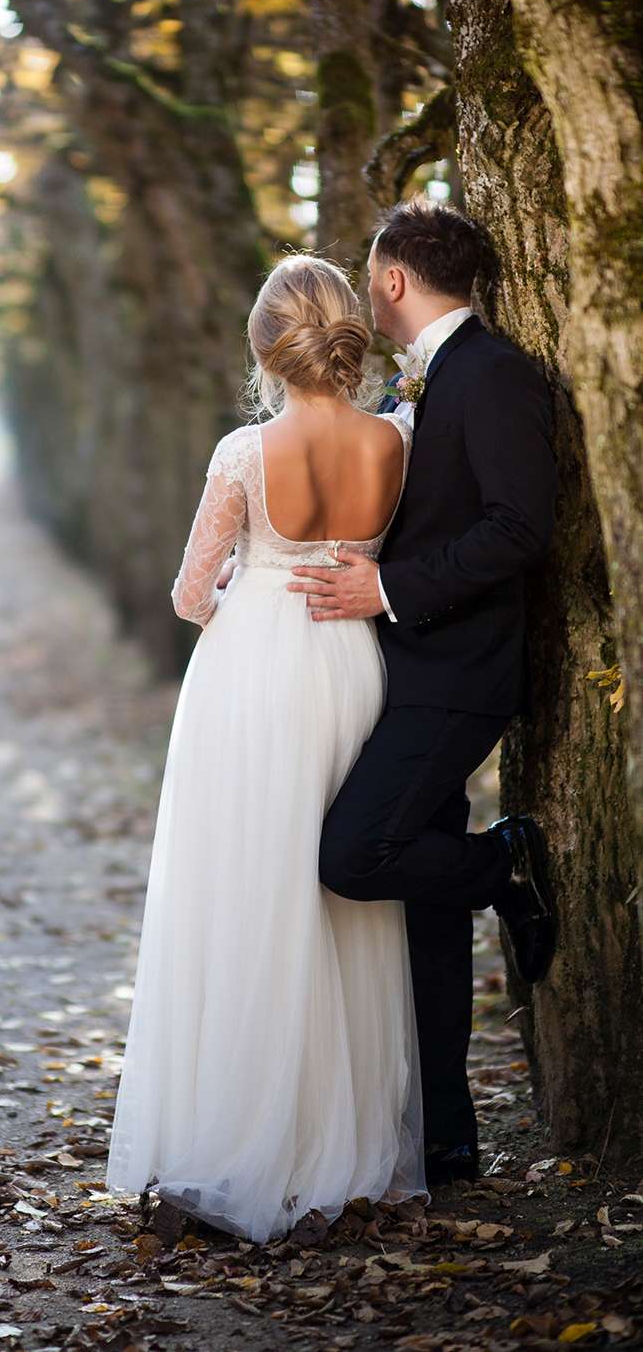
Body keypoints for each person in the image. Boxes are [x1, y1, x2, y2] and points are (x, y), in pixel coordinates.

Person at [105, 253, 428, 1245]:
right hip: (348, 663)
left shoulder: (241, 453)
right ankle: (339, 1139)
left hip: (251, 674)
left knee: (245, 888)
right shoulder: (394, 441)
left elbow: (187, 594)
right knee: (336, 900)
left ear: (263, 346)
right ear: (345, 339)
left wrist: (249, 598)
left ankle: (237, 1131)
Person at [288, 198, 558, 1187]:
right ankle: (446, 1138)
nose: (365, 291)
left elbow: (515, 527)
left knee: (355, 854)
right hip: (406, 669)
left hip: (458, 671)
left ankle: (503, 865)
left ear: (392, 279)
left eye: (369, 275)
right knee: (419, 917)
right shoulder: (433, 380)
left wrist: (386, 586)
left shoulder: (490, 376)